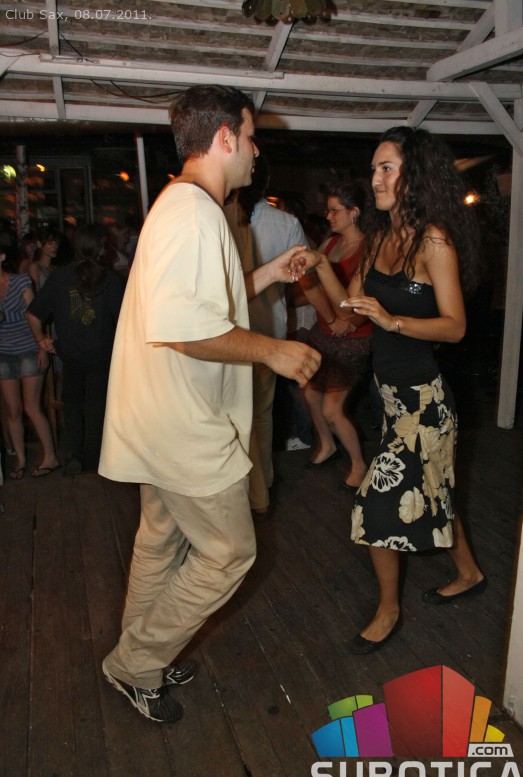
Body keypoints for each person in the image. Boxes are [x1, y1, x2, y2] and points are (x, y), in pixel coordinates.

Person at [98, 85, 321, 723]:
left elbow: (204, 299)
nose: (256, 152)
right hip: (185, 426)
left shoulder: (182, 205)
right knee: (230, 552)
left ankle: (142, 652)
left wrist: (269, 274)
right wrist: (274, 352)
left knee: (160, 541)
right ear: (225, 137)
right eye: (250, 138)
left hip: (159, 416)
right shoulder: (194, 213)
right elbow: (187, 329)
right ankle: (135, 662)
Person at [293, 126, 485, 654]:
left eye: (386, 168)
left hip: (425, 404)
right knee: (436, 492)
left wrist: (394, 321)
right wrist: (319, 266)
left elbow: (455, 326)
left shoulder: (433, 240)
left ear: (413, 176)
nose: (375, 179)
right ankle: (469, 572)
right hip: (392, 397)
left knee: (376, 503)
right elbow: (347, 314)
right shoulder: (379, 238)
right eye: (374, 168)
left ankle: (387, 610)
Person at [232, 153, 309, 514]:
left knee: (233, 415)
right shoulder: (286, 222)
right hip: (269, 328)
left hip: (227, 333)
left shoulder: (223, 218)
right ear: (265, 183)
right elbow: (303, 278)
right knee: (262, 414)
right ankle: (260, 490)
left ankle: (239, 491)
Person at [27, 224, 125, 474]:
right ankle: (94, 459)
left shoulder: (61, 277)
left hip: (69, 354)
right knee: (96, 408)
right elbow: (126, 321)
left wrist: (41, 340)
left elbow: (33, 313)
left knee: (71, 406)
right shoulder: (111, 279)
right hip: (102, 355)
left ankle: (74, 455)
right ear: (98, 248)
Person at [300, 180, 373, 491]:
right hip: (325, 332)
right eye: (327, 210)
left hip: (353, 338)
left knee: (332, 409)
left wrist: (349, 322)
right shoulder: (329, 245)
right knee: (310, 394)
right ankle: (328, 445)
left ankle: (359, 464)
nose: (328, 216)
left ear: (354, 212)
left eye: (334, 210)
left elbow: (368, 302)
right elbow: (312, 283)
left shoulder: (370, 249)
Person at [0, 233, 59, 479]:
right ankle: (21, 460)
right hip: (3, 353)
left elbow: (36, 315)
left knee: (32, 407)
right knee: (13, 411)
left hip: (28, 348)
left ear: (2, 257)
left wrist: (41, 347)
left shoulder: (20, 281)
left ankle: (50, 457)